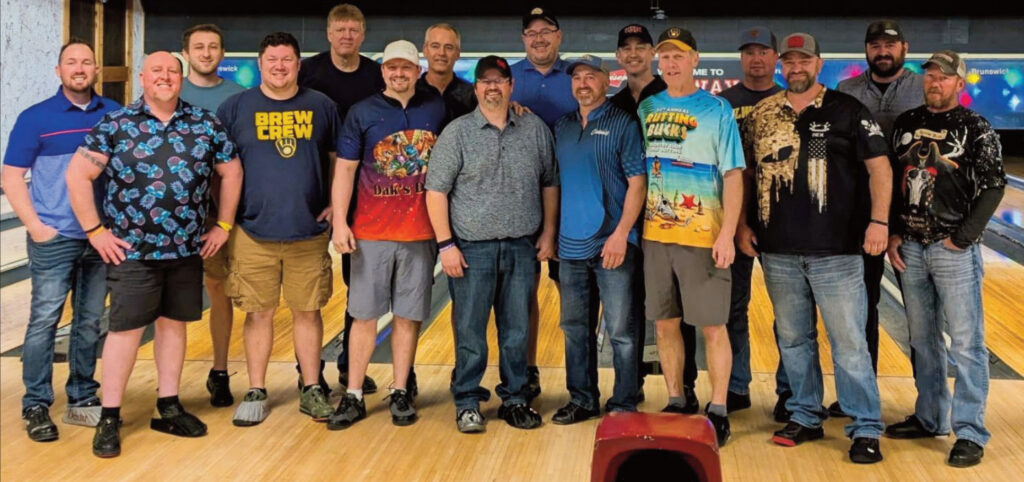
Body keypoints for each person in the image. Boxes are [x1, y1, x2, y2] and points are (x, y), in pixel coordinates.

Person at [65, 51, 242, 457]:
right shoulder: (116, 124)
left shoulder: (203, 123)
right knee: (125, 331)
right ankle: (110, 415)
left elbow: (231, 171)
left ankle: (168, 404)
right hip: (133, 252)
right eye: (157, 71)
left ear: (182, 79)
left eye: (172, 71)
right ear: (142, 77)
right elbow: (78, 174)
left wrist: (224, 225)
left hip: (185, 248)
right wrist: (95, 232)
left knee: (173, 326)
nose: (165, 77)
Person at [742, 33, 891, 464]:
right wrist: (743, 225)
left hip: (838, 250)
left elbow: (879, 169)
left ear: (818, 64)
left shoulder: (847, 110)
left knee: (848, 343)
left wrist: (878, 221)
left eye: (803, 60)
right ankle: (805, 415)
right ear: (780, 67)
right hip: (778, 249)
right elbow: (748, 174)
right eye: (788, 62)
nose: (795, 68)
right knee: (793, 339)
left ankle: (864, 426)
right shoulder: (764, 113)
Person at [885, 50, 1005, 468]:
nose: (934, 82)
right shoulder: (904, 125)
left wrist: (963, 238)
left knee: (968, 345)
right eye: (930, 75)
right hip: (911, 250)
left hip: (951, 250)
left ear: (959, 83)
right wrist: (895, 231)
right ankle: (930, 416)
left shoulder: (977, 128)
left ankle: (970, 430)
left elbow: (993, 187)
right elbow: (895, 182)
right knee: (922, 341)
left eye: (943, 77)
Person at [425, 55, 558, 433]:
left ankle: (515, 399)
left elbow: (550, 182)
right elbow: (435, 191)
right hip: (471, 249)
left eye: (500, 80)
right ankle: (467, 400)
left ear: (511, 86)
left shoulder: (533, 128)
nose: (493, 87)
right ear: (477, 88)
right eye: (486, 81)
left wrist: (548, 233)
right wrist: (446, 245)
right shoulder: (458, 132)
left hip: (521, 246)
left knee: (516, 330)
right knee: (470, 331)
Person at [216, 32, 338, 427]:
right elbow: (222, 170)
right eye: (272, 59)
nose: (280, 66)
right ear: (261, 62)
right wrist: (223, 219)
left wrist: (337, 203)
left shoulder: (322, 106)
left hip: (307, 231)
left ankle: (312, 386)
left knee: (308, 312)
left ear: (298, 64)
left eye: (287, 59)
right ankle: (256, 388)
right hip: (252, 232)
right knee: (259, 314)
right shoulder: (235, 107)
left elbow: (337, 159)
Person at [2, 39, 119, 441]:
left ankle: (83, 395)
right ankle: (36, 402)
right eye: (72, 62)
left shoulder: (114, 115)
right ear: (59, 71)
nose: (80, 68)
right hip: (55, 236)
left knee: (89, 323)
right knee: (45, 321)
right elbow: (11, 176)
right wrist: (36, 227)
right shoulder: (35, 118)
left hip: (101, 237)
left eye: (87, 61)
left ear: (96, 70)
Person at [326, 40, 445, 430]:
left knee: (408, 317)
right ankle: (355, 394)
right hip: (371, 233)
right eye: (392, 67)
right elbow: (345, 170)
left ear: (417, 70)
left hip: (420, 232)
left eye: (406, 68)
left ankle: (399, 390)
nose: (399, 74)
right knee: (363, 316)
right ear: (383, 71)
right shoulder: (362, 112)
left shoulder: (435, 108)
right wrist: (340, 222)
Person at [640, 27, 744, 447]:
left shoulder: (716, 110)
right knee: (665, 324)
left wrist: (727, 233)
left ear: (695, 60)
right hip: (656, 236)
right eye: (665, 56)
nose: (671, 63)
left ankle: (717, 409)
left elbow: (733, 174)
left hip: (704, 235)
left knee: (713, 327)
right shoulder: (647, 108)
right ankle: (678, 398)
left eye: (679, 56)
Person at [831, 20, 925, 418]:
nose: (882, 51)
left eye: (890, 44)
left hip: (918, 219)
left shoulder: (924, 88)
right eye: (875, 45)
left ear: (904, 47)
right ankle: (860, 395)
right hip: (864, 217)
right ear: (866, 50)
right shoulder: (848, 92)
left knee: (921, 317)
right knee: (861, 309)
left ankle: (929, 406)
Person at [551, 55, 646, 423]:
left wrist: (622, 234)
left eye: (591, 76)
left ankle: (624, 400)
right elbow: (554, 185)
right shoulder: (561, 126)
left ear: (607, 80)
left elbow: (638, 183)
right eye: (577, 77)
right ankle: (582, 399)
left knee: (622, 330)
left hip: (613, 243)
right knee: (575, 330)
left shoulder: (623, 124)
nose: (583, 83)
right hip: (571, 245)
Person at [298, 3, 386, 395]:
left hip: (362, 193)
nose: (347, 36)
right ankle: (308, 371)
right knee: (308, 285)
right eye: (340, 30)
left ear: (362, 35)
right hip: (311, 189)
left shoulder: (373, 74)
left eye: (354, 30)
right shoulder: (308, 72)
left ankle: (353, 364)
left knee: (359, 286)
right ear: (329, 34)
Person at [509, 6, 578, 402]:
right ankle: (528, 371)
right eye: (531, 32)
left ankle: (578, 378)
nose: (539, 38)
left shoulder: (577, 77)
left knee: (572, 295)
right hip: (521, 203)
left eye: (546, 31)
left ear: (559, 35)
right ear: (524, 39)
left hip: (572, 204)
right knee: (522, 295)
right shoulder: (509, 78)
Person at [178, 22, 246, 407]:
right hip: (172, 214)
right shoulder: (170, 91)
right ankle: (168, 380)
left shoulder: (237, 96)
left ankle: (219, 370)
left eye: (213, 47)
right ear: (185, 53)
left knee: (219, 290)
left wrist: (226, 216)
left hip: (217, 214)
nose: (206, 53)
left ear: (222, 54)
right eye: (199, 47)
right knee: (167, 297)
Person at [609, 23, 677, 406]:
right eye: (626, 48)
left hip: (670, 218)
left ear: (652, 52)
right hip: (627, 220)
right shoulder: (614, 104)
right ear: (619, 57)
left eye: (641, 47)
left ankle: (680, 391)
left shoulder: (670, 96)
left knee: (672, 310)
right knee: (628, 307)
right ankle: (628, 388)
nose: (633, 54)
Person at [717, 26, 783, 414]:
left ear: (775, 58)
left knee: (789, 314)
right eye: (749, 52)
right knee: (733, 309)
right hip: (735, 220)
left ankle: (790, 392)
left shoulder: (790, 99)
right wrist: (736, 225)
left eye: (763, 52)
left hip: (784, 222)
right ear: (740, 59)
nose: (756, 59)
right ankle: (737, 386)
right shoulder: (723, 104)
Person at [418, 23, 477, 123]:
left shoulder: (472, 96)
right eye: (435, 46)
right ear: (425, 50)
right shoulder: (412, 93)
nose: (441, 53)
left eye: (449, 47)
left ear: (458, 53)